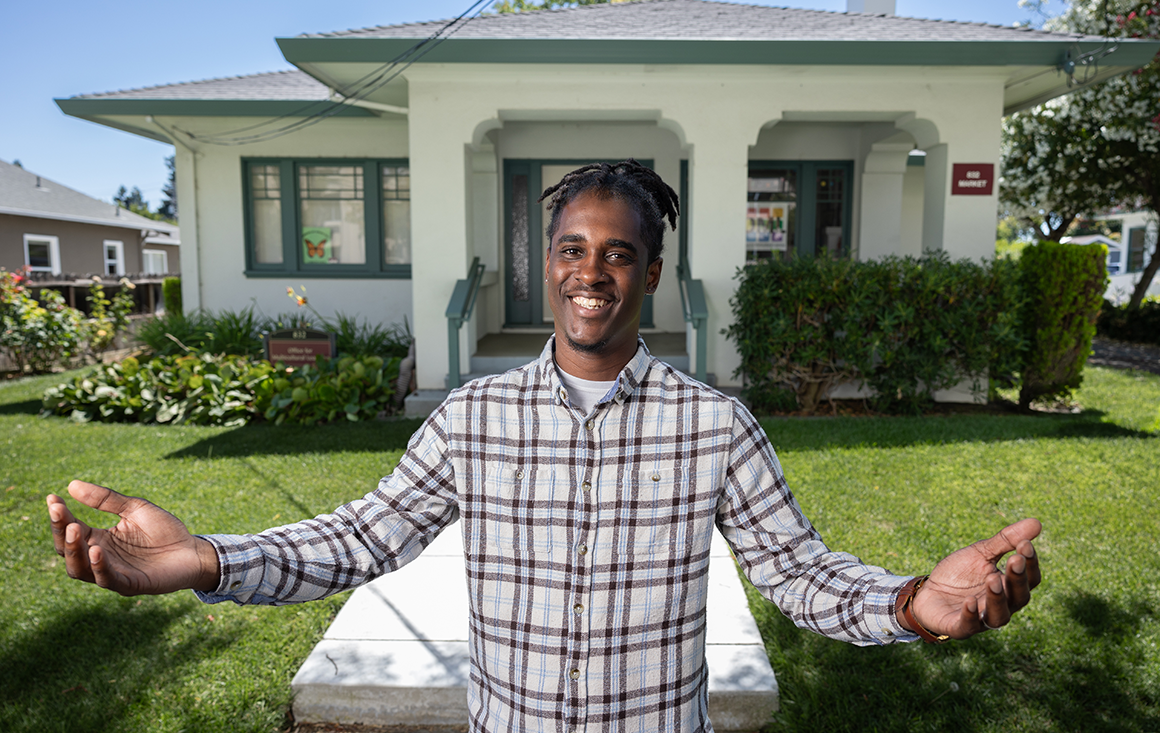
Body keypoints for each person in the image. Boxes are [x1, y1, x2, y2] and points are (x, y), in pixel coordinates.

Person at [47, 160, 1041, 732]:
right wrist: (208, 559)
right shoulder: (473, 418)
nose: (591, 272)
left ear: (648, 273)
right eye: (572, 248)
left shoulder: (714, 424)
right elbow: (363, 537)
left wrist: (908, 603)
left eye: (617, 253)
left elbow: (796, 574)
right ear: (546, 266)